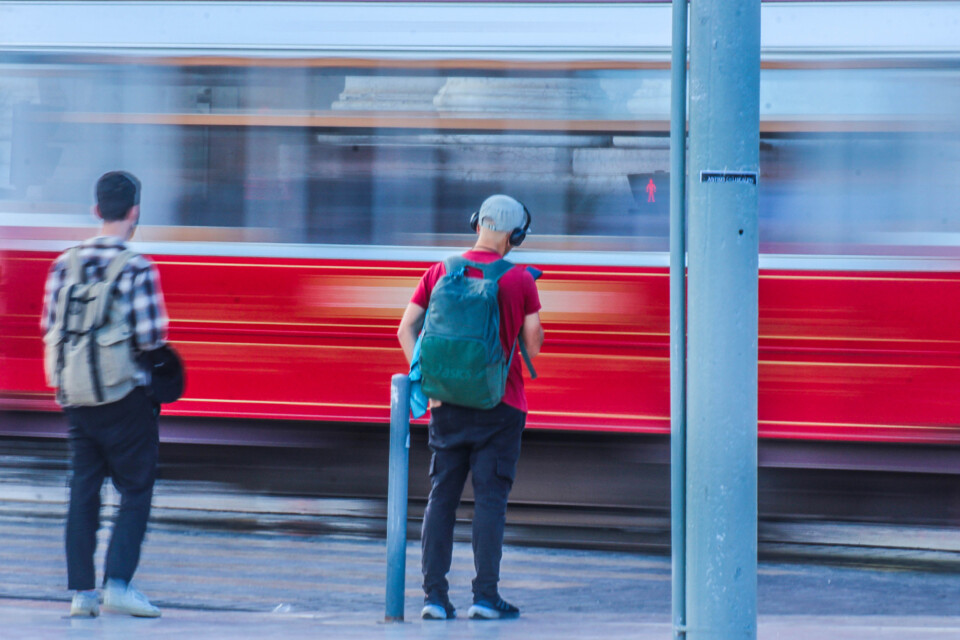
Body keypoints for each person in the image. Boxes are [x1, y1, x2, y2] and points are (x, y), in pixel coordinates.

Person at [397, 194, 544, 620]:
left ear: (477, 223)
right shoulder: (519, 280)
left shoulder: (441, 270)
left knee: (441, 497)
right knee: (490, 501)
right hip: (501, 404)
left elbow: (406, 328)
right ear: (514, 235)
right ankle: (484, 597)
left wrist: (430, 380)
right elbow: (533, 342)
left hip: (447, 404)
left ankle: (434, 599)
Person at [41, 171, 168, 618]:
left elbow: (48, 327)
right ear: (134, 212)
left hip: (75, 397)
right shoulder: (137, 266)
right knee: (135, 488)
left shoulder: (64, 263)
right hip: (124, 398)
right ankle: (117, 584)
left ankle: (82, 595)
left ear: (96, 210)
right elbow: (152, 338)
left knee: (83, 491)